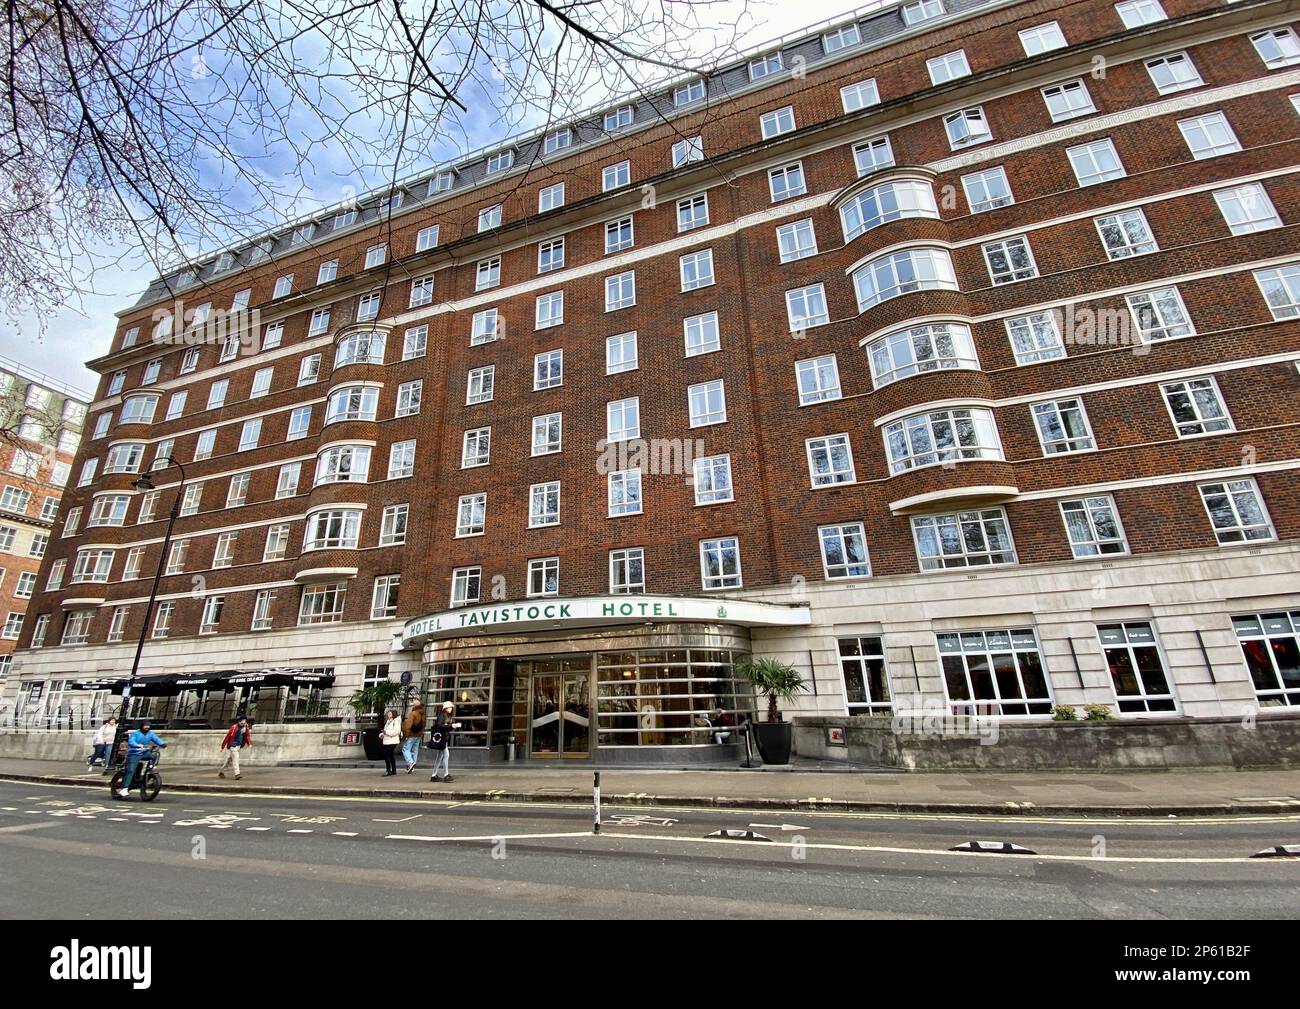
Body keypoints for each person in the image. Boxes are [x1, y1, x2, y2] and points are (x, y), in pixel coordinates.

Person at [118, 720, 166, 798]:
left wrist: (162, 743)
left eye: (148, 726)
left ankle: (151, 768)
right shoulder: (136, 733)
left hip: (144, 752)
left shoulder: (150, 733)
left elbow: (156, 739)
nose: (147, 727)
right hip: (134, 753)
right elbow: (131, 741)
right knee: (131, 770)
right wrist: (137, 745)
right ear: (141, 726)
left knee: (154, 755)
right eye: (145, 726)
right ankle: (125, 788)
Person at [428, 701, 462, 783]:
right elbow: (439, 726)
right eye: (450, 707)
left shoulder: (444, 715)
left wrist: (453, 726)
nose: (451, 709)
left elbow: (443, 726)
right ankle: (446, 774)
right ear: (446, 708)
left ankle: (434, 775)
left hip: (443, 739)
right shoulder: (442, 715)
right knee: (446, 755)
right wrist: (452, 726)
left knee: (439, 757)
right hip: (442, 739)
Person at [400, 700, 426, 774]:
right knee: (414, 750)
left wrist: (406, 735)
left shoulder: (413, 714)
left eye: (412, 705)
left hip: (411, 734)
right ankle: (412, 766)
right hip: (418, 734)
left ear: (414, 706)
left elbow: (408, 726)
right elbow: (424, 725)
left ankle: (410, 763)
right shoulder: (423, 714)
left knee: (405, 749)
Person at [380, 709, 401, 776]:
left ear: (393, 715)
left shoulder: (396, 722)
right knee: (391, 755)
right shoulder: (388, 722)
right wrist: (382, 734)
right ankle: (393, 770)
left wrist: (386, 732)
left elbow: (396, 731)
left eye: (390, 714)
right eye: (388, 714)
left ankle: (389, 770)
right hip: (387, 740)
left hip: (393, 741)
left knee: (386, 754)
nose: (388, 715)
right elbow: (386, 730)